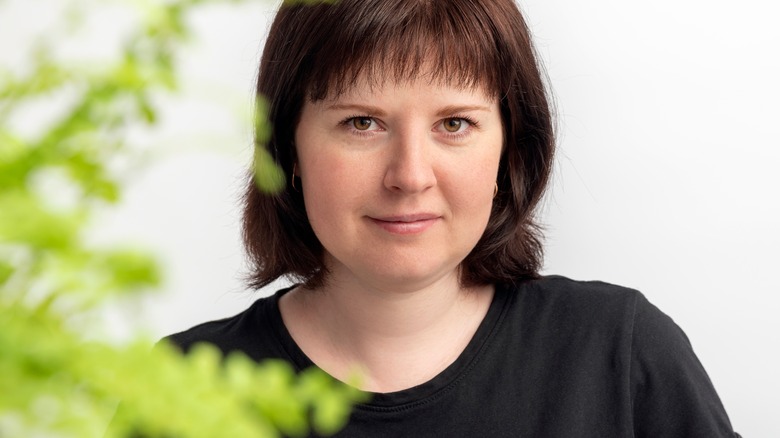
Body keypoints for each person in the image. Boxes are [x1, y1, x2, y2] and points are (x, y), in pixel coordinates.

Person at [168, 0, 740, 436]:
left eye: (454, 124)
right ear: (287, 150)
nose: (410, 175)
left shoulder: (622, 354)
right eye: (362, 123)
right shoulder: (182, 386)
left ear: (509, 148)